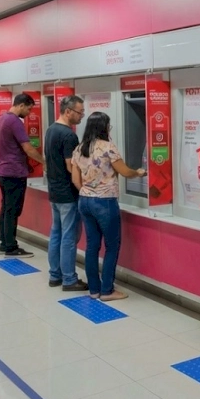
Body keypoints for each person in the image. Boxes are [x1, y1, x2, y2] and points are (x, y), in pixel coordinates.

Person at [71, 112, 144, 301]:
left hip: (84, 201)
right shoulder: (108, 147)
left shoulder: (79, 149)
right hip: (105, 202)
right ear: (103, 127)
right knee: (112, 246)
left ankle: (94, 290)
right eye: (108, 126)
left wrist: (88, 192)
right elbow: (124, 171)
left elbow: (75, 179)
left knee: (92, 246)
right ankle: (107, 290)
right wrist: (138, 172)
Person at [0, 93, 44, 258]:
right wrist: (45, 162)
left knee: (6, 209)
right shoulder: (15, 121)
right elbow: (28, 148)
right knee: (13, 210)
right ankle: (11, 247)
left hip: (3, 170)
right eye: (28, 109)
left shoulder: (0, 119)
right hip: (14, 172)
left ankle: (4, 243)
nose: (29, 113)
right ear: (21, 105)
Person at [46, 95, 87, 292]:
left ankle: (55, 275)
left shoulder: (51, 130)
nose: (81, 116)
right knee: (69, 237)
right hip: (68, 193)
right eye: (80, 112)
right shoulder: (69, 136)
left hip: (54, 190)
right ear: (68, 111)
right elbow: (72, 167)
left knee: (56, 233)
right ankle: (69, 279)